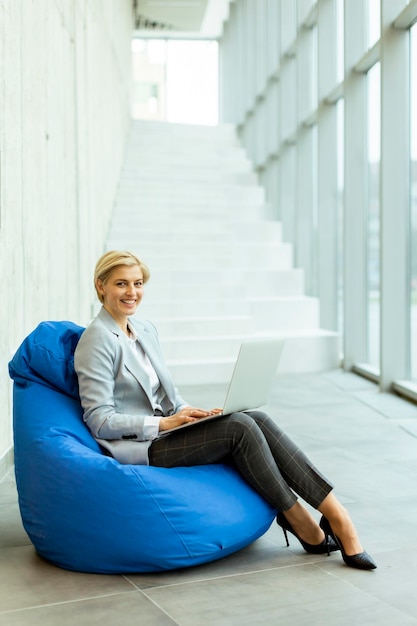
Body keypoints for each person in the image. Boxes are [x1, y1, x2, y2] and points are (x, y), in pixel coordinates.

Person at [74, 250, 377, 571]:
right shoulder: (97, 340)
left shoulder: (145, 330)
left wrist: (193, 414)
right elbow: (99, 420)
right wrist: (163, 424)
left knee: (254, 418)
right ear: (101, 286)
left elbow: (169, 397)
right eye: (121, 284)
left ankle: (336, 514)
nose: (132, 292)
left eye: (138, 283)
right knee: (241, 429)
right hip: (142, 446)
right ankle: (301, 518)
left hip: (168, 430)